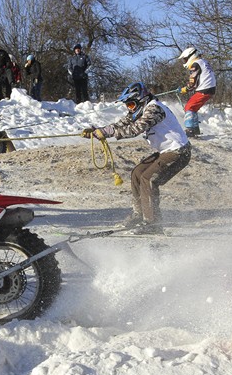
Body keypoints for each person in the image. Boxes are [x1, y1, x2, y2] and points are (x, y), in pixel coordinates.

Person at [81, 82, 192, 235]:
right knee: (137, 173)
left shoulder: (154, 109)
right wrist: (98, 131)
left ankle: (153, 223)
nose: (130, 108)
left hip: (179, 152)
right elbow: (121, 124)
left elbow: (135, 129)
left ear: (142, 100)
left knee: (149, 179)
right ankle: (139, 214)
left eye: (132, 104)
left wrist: (108, 134)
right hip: (166, 151)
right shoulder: (140, 110)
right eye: (128, 105)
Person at [178, 47, 216, 137]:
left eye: (185, 59)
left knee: (189, 107)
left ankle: (190, 130)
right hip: (210, 88)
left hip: (204, 88)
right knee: (193, 107)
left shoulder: (195, 64)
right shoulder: (203, 62)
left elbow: (193, 81)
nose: (185, 61)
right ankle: (195, 128)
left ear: (191, 56)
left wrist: (185, 89)